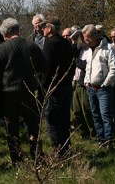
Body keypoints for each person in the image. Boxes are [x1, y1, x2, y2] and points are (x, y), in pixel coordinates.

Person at [0, 18, 47, 166]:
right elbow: (44, 67)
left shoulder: (2, 48)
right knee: (33, 126)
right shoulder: (32, 46)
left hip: (8, 93)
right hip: (28, 91)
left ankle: (17, 159)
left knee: (12, 128)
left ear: (6, 33)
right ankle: (38, 157)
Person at [83, 24, 115, 148]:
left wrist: (105, 84)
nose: (86, 42)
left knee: (105, 114)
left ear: (95, 37)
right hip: (91, 88)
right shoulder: (88, 50)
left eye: (88, 39)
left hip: (103, 88)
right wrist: (86, 81)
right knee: (95, 114)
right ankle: (100, 139)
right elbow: (88, 68)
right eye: (85, 39)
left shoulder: (108, 48)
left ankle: (109, 140)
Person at [41, 17, 74, 157]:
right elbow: (72, 65)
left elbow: (46, 68)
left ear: (50, 29)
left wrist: (43, 87)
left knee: (53, 119)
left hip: (54, 88)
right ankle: (66, 147)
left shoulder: (50, 44)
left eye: (44, 27)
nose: (42, 29)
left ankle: (58, 150)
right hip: (66, 86)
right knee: (65, 119)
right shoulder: (66, 43)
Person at [66, 27, 95, 140]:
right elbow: (71, 56)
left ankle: (93, 132)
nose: (83, 40)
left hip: (85, 82)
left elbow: (86, 65)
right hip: (76, 80)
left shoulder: (92, 50)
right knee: (77, 110)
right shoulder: (80, 49)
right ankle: (84, 133)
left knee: (86, 108)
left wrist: (75, 61)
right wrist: (73, 41)